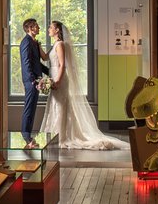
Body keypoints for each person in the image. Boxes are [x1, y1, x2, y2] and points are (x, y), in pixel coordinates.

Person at [39, 20, 130, 151]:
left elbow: (62, 65)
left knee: (61, 106)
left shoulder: (60, 45)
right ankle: (55, 134)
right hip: (53, 76)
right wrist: (38, 46)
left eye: (51, 27)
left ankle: (61, 135)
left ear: (57, 30)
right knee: (55, 105)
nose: (48, 29)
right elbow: (46, 57)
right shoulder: (55, 44)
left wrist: (57, 81)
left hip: (59, 78)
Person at [19, 18, 49, 149]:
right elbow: (26, 63)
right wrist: (33, 80)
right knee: (29, 108)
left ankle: (29, 136)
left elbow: (37, 63)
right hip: (31, 80)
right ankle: (26, 136)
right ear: (30, 28)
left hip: (37, 79)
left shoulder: (34, 43)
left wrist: (50, 72)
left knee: (32, 108)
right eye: (36, 26)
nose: (39, 28)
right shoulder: (25, 42)